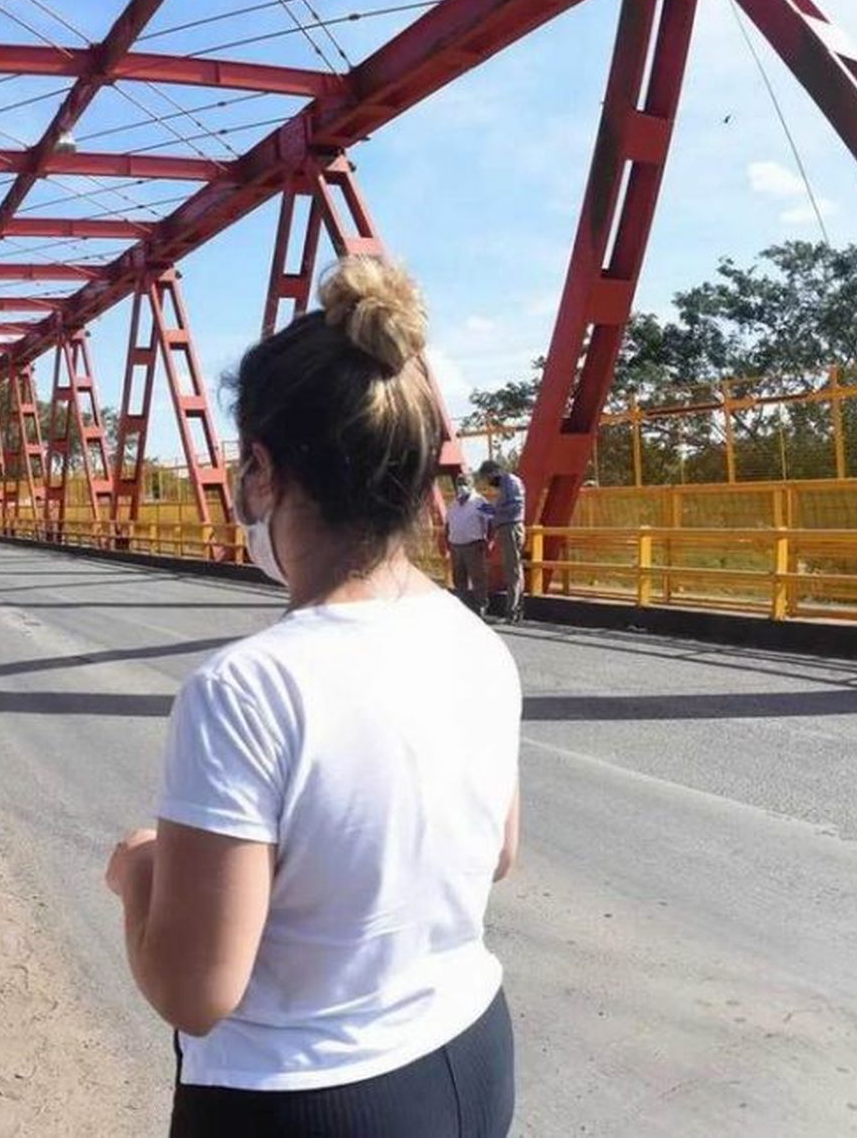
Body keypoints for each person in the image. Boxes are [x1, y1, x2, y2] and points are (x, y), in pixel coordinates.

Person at [106, 259, 522, 1138]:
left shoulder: (246, 690)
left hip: (304, 1097)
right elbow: (497, 854)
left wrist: (138, 871)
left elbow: (194, 992)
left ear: (261, 470)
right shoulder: (473, 638)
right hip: (472, 1051)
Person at [477, 459, 527, 624]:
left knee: (512, 570)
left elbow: (514, 507)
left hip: (510, 528)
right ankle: (514, 610)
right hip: (507, 528)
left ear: (493, 473)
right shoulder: (507, 484)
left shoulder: (510, 482)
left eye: (487, 478)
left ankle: (512, 612)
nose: (489, 483)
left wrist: (494, 511)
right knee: (514, 569)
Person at [444, 473, 494, 616]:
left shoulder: (480, 501)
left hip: (474, 546)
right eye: (459, 483)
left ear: (471, 484)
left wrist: (489, 541)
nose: (461, 486)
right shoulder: (453, 504)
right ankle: (463, 607)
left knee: (478, 577)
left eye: (464, 482)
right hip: (455, 546)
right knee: (459, 578)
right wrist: (447, 542)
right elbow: (447, 525)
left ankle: (481, 605)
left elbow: (493, 519)